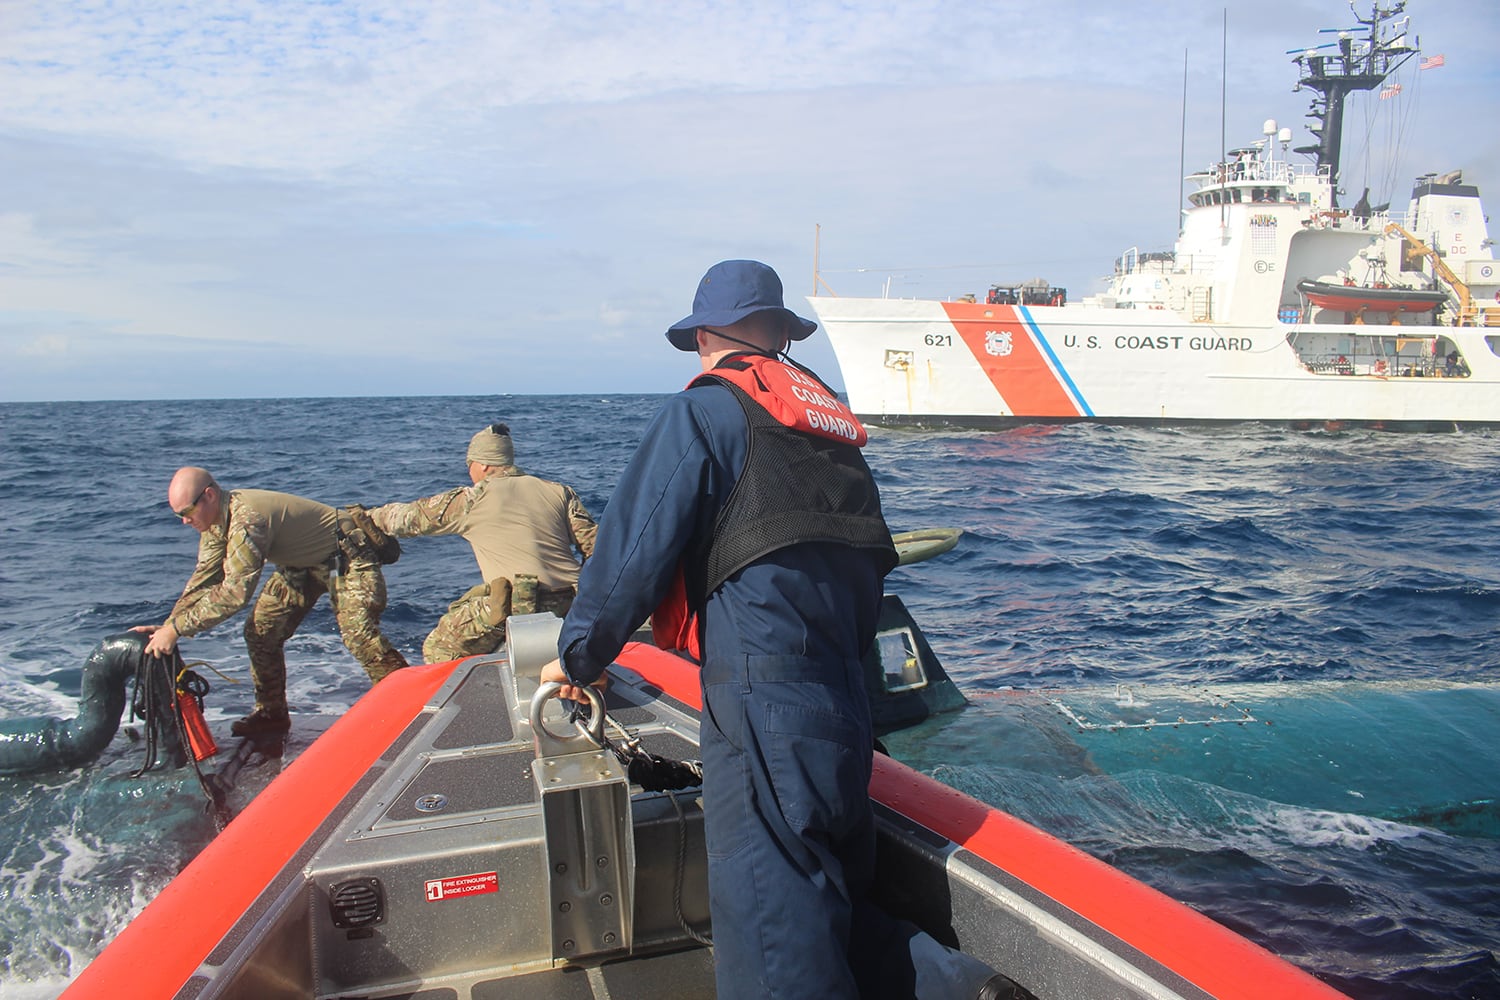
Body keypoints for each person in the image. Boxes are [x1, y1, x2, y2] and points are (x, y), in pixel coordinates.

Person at [541, 261, 1029, 1000]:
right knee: (827, 902)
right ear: (781, 337)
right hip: (847, 702)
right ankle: (964, 988)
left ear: (704, 337)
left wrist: (578, 659)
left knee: (774, 932)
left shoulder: (703, 414)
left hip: (762, 701)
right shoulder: (827, 428)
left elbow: (628, 558)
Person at [137, 467, 408, 735]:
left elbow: (234, 594)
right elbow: (203, 580)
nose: (184, 521)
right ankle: (272, 715)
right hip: (302, 565)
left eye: (186, 512)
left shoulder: (246, 520)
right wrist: (168, 627)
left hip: (345, 557)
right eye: (178, 515)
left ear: (208, 495)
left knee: (358, 635)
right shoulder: (214, 522)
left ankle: (412, 704)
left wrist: (177, 630)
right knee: (260, 633)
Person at [367, 423, 597, 663]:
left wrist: (366, 517)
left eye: (470, 465)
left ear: (484, 464)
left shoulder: (472, 499)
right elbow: (593, 546)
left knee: (438, 649)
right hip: (574, 605)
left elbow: (405, 518)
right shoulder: (560, 492)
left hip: (524, 605)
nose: (470, 472)